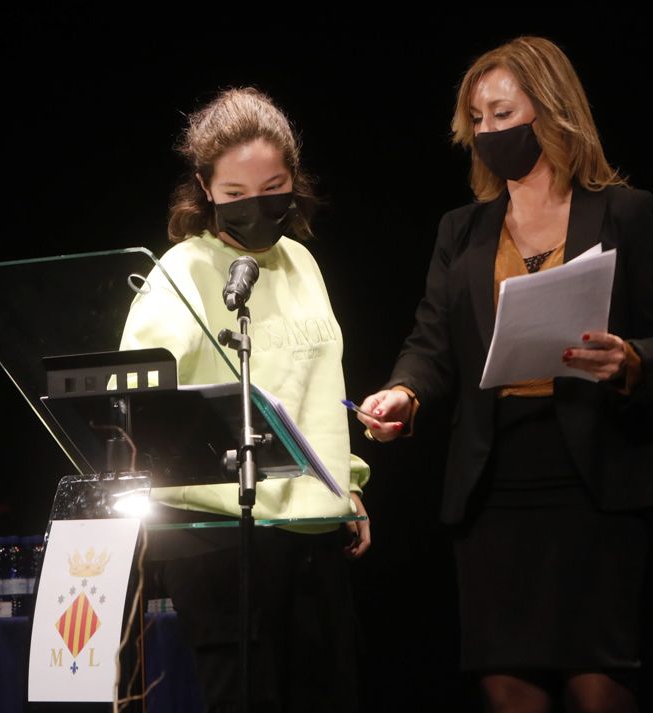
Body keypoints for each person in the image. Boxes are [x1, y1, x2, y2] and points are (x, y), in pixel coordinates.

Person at [355, 37, 653, 713]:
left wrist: (632, 359)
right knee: (509, 689)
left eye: (501, 113)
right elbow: (431, 342)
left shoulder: (624, 212)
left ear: (551, 111)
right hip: (495, 487)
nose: (486, 132)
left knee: (597, 687)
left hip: (595, 478)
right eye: (476, 120)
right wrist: (404, 391)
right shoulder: (463, 231)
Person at [120, 87, 370, 713]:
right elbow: (137, 400)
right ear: (205, 189)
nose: (255, 206)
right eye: (235, 195)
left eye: (273, 187)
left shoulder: (303, 265)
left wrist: (350, 484)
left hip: (312, 533)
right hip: (220, 538)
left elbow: (318, 389)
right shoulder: (180, 271)